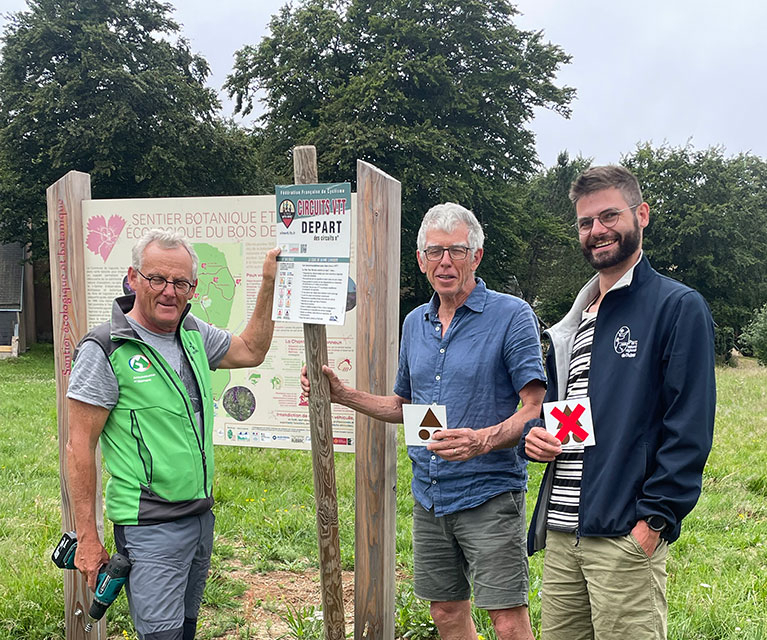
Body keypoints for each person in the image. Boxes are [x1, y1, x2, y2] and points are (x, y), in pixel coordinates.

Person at [302, 203, 546, 640]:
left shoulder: (511, 316)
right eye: (435, 252)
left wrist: (482, 441)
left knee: (507, 620)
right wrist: (343, 395)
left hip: (489, 493)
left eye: (456, 251)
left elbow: (533, 407)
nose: (445, 262)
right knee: (446, 612)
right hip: (431, 496)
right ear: (421, 260)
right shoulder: (417, 322)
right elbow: (405, 407)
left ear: (477, 256)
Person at [521, 166, 716, 640]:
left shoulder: (676, 306)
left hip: (625, 534)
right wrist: (537, 435)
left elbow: (689, 426)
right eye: (586, 222)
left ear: (641, 215)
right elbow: (568, 410)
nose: (597, 230)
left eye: (609, 215)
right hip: (564, 531)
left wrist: (654, 521)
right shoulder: (578, 316)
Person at [66, 229, 279, 640]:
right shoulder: (107, 348)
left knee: (184, 630)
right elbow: (79, 448)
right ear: (132, 278)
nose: (169, 292)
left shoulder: (192, 331)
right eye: (157, 279)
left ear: (193, 288)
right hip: (150, 528)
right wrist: (88, 540)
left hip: (199, 517)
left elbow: (251, 350)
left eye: (180, 283)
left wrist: (269, 284)